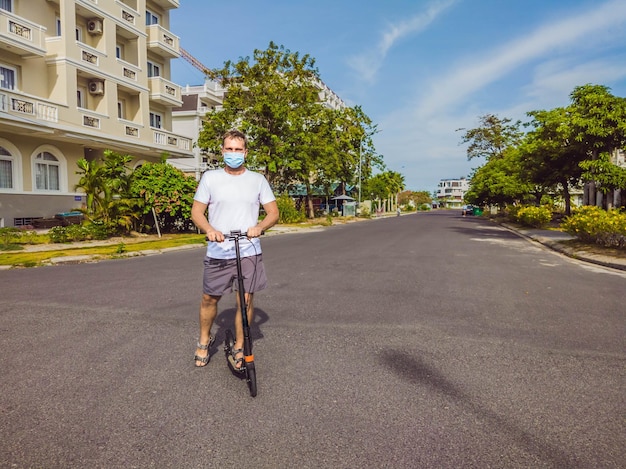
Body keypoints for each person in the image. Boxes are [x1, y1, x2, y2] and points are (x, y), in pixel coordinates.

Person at [191, 129, 279, 368]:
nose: (233, 153)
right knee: (209, 298)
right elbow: (197, 212)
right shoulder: (210, 178)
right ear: (222, 151)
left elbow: (273, 212)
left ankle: (240, 345)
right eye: (229, 149)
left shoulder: (257, 180)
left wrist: (259, 227)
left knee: (246, 300)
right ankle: (204, 340)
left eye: (238, 149)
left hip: (248, 249)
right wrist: (209, 229)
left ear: (245, 152)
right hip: (218, 250)